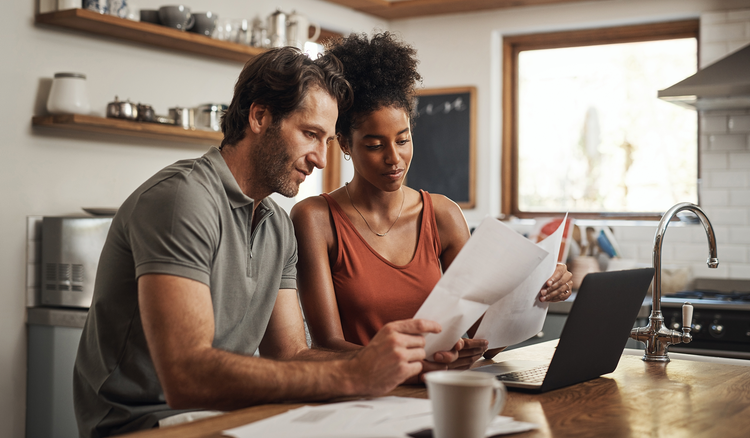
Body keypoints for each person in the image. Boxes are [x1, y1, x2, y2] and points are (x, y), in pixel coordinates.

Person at [73, 47, 443, 437]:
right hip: (143, 425)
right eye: (310, 134)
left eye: (327, 142)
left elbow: (291, 355)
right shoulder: (183, 199)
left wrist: (402, 362)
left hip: (227, 417)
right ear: (260, 116)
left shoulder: (277, 227)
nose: (319, 159)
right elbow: (187, 377)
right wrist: (353, 375)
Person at [291, 32, 573, 374]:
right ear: (345, 144)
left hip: (440, 392)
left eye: (403, 139)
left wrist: (536, 292)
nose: (394, 158)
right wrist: (415, 367)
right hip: (362, 398)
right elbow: (327, 346)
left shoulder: (442, 215)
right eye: (375, 145)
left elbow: (482, 338)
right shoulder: (315, 218)